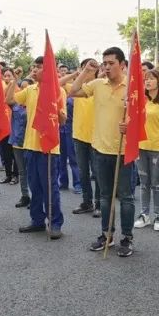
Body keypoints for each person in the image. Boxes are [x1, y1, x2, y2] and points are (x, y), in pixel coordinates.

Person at [69, 47, 134, 256]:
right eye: (104, 63)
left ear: (122, 65)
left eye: (111, 63)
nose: (106, 67)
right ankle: (107, 234)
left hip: (124, 151)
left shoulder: (132, 87)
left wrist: (130, 125)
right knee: (105, 197)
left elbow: (142, 118)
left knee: (126, 197)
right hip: (100, 149)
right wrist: (86, 71)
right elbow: (73, 92)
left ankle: (127, 238)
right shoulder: (97, 84)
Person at [8, 56, 66, 239]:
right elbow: (9, 99)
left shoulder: (58, 91)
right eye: (33, 67)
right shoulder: (30, 89)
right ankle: (37, 221)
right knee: (34, 186)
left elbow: (63, 120)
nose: (34, 70)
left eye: (39, 67)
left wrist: (55, 108)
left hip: (48, 148)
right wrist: (14, 79)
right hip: (30, 146)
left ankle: (55, 223)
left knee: (50, 188)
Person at [133, 69, 159, 232]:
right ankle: (144, 215)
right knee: (144, 183)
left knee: (157, 184)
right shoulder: (141, 101)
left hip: (158, 148)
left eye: (151, 79)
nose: (148, 81)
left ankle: (158, 216)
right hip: (141, 147)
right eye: (146, 79)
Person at [65, 57, 99, 216]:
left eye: (91, 68)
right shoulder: (76, 88)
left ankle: (99, 204)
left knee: (98, 173)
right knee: (83, 172)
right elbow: (58, 84)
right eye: (85, 67)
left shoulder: (100, 86)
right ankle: (87, 202)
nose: (88, 70)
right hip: (79, 136)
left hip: (97, 137)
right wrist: (77, 74)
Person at [9, 73, 32, 208]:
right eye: (21, 88)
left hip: (31, 143)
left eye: (26, 88)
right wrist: (14, 80)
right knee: (22, 172)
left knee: (33, 173)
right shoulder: (16, 104)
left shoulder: (35, 104)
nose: (23, 90)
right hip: (17, 142)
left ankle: (36, 197)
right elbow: (7, 99)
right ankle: (25, 196)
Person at [0, 68, 19, 186]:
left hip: (14, 126)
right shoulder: (2, 89)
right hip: (3, 125)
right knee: (5, 153)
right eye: (5, 76)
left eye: (9, 76)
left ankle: (16, 175)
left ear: (13, 77)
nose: (7, 78)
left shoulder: (18, 90)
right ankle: (8, 174)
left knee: (14, 153)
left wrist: (14, 82)